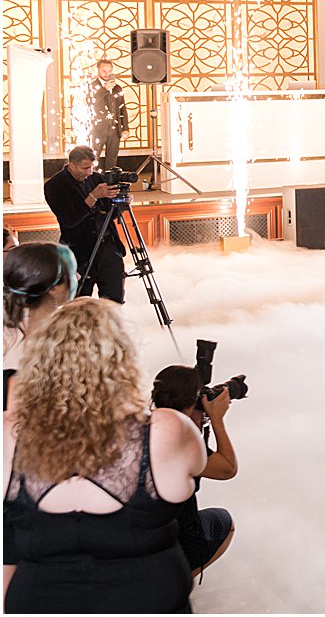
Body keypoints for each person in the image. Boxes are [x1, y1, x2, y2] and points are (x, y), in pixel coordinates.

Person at [3, 299, 204, 612]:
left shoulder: (8, 434)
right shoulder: (166, 428)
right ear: (125, 357)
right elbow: (200, 467)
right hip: (146, 601)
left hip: (40, 601)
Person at [150, 366, 238, 577]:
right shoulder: (183, 444)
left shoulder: (145, 427)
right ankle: (178, 581)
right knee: (224, 521)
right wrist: (216, 420)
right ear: (192, 405)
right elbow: (228, 468)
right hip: (173, 539)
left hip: (139, 531)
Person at [42, 145, 126, 303]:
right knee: (79, 302)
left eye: (92, 167)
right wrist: (93, 196)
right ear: (71, 165)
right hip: (79, 251)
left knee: (114, 299)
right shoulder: (55, 186)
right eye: (85, 168)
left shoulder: (97, 179)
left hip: (107, 247)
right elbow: (69, 219)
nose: (89, 172)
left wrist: (121, 203)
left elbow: (110, 214)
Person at [3, 244, 76, 408]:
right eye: (72, 273)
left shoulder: (8, 330)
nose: (78, 277)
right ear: (55, 288)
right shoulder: (75, 339)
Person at [89, 59, 129, 170]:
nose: (107, 74)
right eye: (104, 71)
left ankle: (110, 182)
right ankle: (92, 181)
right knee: (93, 157)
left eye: (109, 71)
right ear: (98, 71)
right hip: (97, 129)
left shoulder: (117, 88)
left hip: (114, 129)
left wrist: (125, 128)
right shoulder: (92, 86)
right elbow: (90, 102)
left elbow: (122, 109)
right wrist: (104, 89)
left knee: (112, 159)